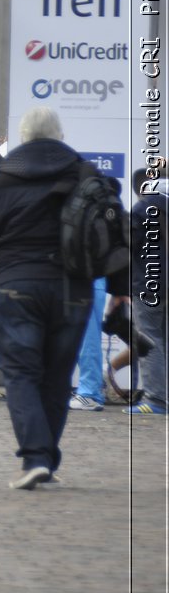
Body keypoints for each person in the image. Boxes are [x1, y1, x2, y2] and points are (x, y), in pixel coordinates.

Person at [0, 107, 130, 488]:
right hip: (73, 290)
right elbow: (117, 232)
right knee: (57, 377)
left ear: (23, 138)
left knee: (22, 373)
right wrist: (121, 289)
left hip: (16, 288)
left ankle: (36, 458)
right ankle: (45, 459)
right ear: (59, 136)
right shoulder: (87, 177)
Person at [125, 168, 166, 415]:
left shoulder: (143, 209)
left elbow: (128, 245)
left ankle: (156, 399)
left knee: (149, 340)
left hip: (148, 283)